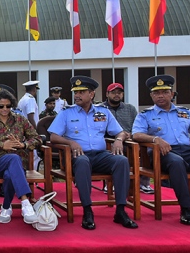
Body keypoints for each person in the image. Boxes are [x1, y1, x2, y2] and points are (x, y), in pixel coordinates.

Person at [132, 75, 190, 226]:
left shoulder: (185, 112)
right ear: (151, 96)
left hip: (188, 150)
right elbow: (136, 134)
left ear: (172, 94)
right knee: (176, 162)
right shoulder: (145, 115)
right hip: (162, 153)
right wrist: (155, 139)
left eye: (164, 92)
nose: (160, 96)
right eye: (156, 93)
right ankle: (186, 208)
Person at [48, 76, 138, 230]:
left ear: (91, 94)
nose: (77, 95)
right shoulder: (66, 113)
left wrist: (119, 140)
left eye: (81, 92)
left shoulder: (103, 112)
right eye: (75, 92)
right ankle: (87, 210)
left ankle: (121, 210)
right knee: (83, 162)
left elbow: (120, 132)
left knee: (121, 161)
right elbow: (53, 136)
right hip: (77, 156)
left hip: (100, 155)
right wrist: (71, 142)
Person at [0, 89, 41, 224]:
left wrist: (23, 145)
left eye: (8, 106)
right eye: (1, 106)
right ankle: (25, 203)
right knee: (13, 158)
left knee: (10, 173)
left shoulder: (20, 119)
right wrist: (1, 145)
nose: (5, 109)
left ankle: (5, 208)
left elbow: (37, 139)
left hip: (19, 163)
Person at [98, 82, 154, 194]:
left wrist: (130, 135)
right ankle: (112, 183)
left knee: (144, 150)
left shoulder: (130, 109)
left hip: (129, 140)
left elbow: (137, 127)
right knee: (114, 149)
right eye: (113, 92)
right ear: (107, 94)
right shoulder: (100, 109)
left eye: (119, 93)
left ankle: (143, 183)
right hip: (108, 140)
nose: (117, 95)